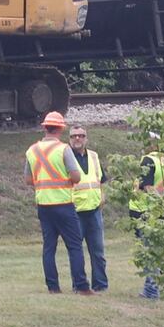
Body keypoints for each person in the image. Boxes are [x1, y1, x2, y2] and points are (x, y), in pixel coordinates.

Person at [25, 111, 93, 295]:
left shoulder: (32, 150)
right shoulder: (64, 149)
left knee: (49, 247)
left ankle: (53, 287)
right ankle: (81, 286)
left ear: (44, 127)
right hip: (63, 203)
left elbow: (28, 179)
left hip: (43, 204)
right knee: (74, 245)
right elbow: (76, 176)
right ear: (61, 129)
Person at [127, 130, 164, 300]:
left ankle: (151, 291)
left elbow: (147, 187)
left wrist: (157, 204)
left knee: (151, 253)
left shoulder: (149, 160)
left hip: (147, 212)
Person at [69, 125, 108, 292]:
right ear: (69, 139)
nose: (78, 139)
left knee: (98, 251)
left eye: (81, 135)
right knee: (77, 253)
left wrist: (103, 196)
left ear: (86, 138)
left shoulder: (93, 156)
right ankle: (79, 285)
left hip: (94, 210)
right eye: (74, 136)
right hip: (75, 211)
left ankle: (100, 285)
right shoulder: (65, 157)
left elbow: (101, 180)